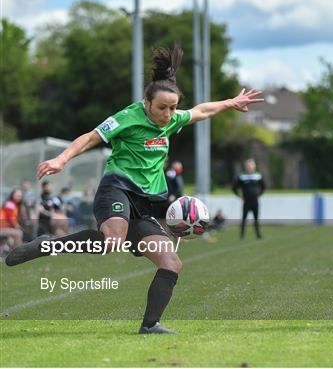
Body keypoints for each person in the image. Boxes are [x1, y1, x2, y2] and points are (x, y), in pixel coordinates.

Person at [5, 45, 264, 334]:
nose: (168, 114)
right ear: (147, 103)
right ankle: (47, 245)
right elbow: (92, 137)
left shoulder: (172, 119)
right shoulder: (128, 117)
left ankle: (150, 325)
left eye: (172, 108)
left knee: (171, 262)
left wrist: (231, 102)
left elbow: (201, 111)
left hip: (147, 203)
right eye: (162, 108)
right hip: (116, 188)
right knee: (112, 240)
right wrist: (61, 159)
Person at [233, 158, 265, 239]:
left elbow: (263, 187)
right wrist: (240, 196)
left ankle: (258, 235)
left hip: (255, 201)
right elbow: (234, 188)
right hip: (246, 201)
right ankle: (242, 235)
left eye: (251, 165)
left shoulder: (258, 176)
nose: (250, 167)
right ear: (246, 167)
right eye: (248, 165)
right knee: (244, 219)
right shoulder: (242, 176)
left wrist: (259, 195)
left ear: (254, 166)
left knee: (256, 219)